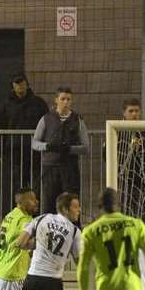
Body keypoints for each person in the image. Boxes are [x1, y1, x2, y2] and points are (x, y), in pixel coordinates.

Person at [0, 73, 48, 215]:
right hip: (14, 151)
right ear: (13, 86)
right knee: (17, 185)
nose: (20, 86)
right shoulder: (7, 104)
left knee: (36, 185)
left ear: (27, 84)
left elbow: (46, 125)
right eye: (17, 83)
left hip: (35, 152)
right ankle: (18, 215)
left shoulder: (38, 103)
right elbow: (0, 127)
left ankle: (36, 215)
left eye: (22, 83)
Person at [31, 87, 90, 215]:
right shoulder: (46, 119)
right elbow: (35, 143)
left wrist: (70, 149)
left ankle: (73, 231)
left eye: (68, 99)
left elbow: (86, 147)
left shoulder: (78, 120)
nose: (65, 102)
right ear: (56, 100)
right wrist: (47, 146)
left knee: (71, 204)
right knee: (48, 203)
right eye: (63, 99)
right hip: (50, 167)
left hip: (70, 168)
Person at [119, 98, 145, 226]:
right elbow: (106, 155)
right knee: (125, 211)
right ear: (124, 113)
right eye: (130, 111)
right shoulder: (117, 130)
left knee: (143, 211)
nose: (134, 114)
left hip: (143, 178)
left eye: (136, 111)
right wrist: (127, 148)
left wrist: (143, 148)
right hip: (123, 179)